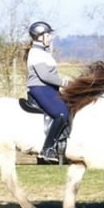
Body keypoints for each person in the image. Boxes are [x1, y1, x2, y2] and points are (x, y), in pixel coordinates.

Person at [24, 21, 70, 162]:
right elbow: (45, 76)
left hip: (49, 88)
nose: (50, 37)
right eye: (48, 35)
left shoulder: (43, 52)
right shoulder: (36, 53)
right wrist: (63, 82)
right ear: (39, 36)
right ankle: (47, 149)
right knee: (61, 114)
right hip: (40, 88)